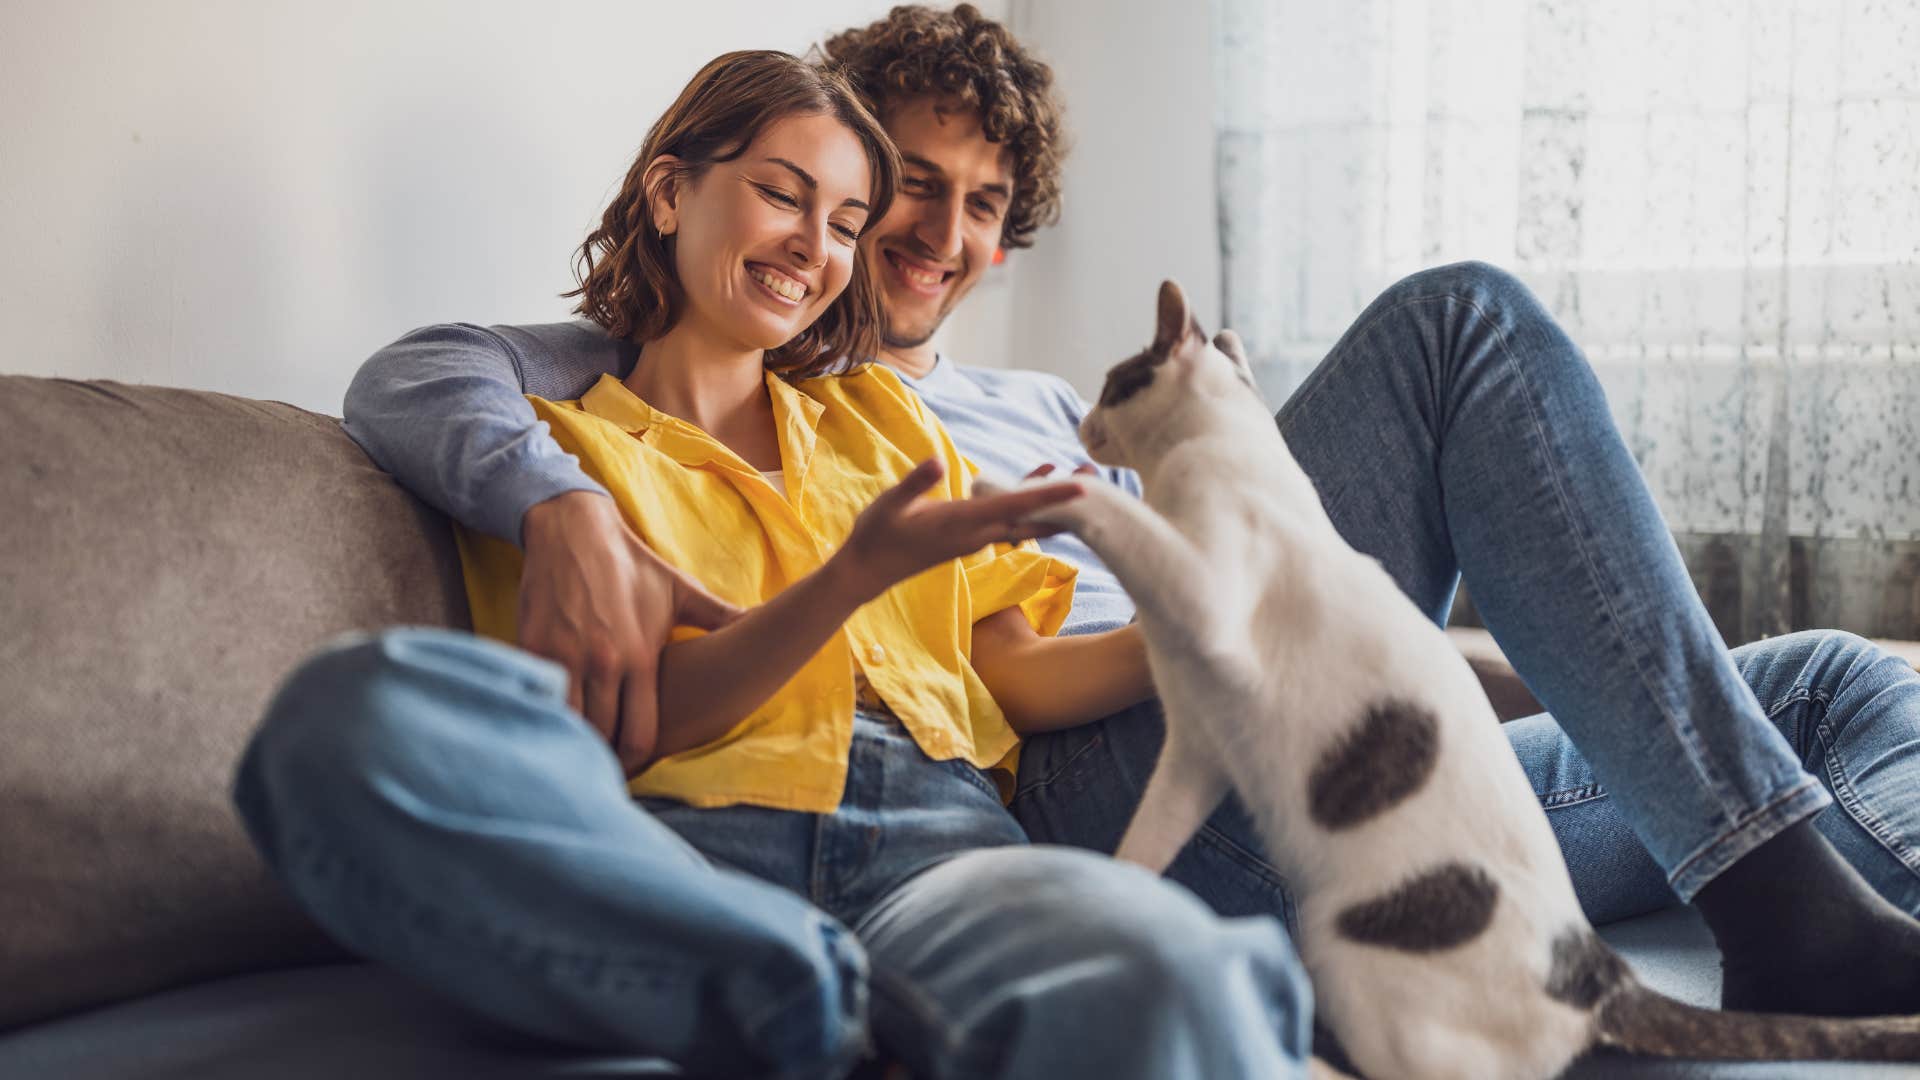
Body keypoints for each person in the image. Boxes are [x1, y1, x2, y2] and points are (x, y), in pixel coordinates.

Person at [335, 1, 1920, 1025]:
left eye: (978, 208)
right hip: (1105, 788)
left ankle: (1811, 906)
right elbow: (427, 377)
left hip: (1248, 709)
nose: (921, 237)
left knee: (1835, 682)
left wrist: (1300, 586)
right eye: (897, 191)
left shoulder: (981, 412)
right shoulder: (645, 393)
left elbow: (1077, 627)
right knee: (1461, 332)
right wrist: (563, 504)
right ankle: (1790, 914)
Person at [236, 49, 1318, 1080]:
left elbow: (1011, 672)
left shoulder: (886, 425)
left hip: (940, 851)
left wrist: (1206, 619)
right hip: (688, 859)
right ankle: (820, 1003)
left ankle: (807, 1014)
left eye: (845, 222)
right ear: (670, 193)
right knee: (346, 720)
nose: (815, 245)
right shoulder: (556, 449)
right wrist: (846, 580)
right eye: (782, 195)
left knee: (1175, 969)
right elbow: (644, 719)